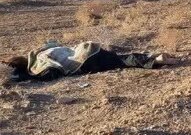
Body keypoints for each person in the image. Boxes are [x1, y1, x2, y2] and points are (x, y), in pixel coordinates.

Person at [4, 41, 168, 82]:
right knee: (120, 58)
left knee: (121, 61)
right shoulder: (43, 49)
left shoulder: (37, 63)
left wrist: (29, 77)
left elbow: (51, 72)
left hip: (85, 60)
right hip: (87, 48)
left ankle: (156, 60)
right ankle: (153, 57)